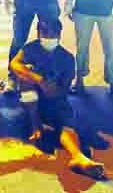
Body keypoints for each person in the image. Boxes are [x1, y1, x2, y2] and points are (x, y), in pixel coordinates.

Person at [10, 18, 105, 181]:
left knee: (66, 124)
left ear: (59, 34)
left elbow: (64, 89)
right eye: (45, 32)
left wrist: (52, 91)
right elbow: (14, 64)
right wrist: (40, 80)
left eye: (53, 33)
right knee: (25, 75)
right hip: (31, 100)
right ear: (38, 33)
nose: (49, 36)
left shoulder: (66, 58)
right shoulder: (30, 49)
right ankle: (35, 125)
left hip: (55, 100)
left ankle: (79, 157)